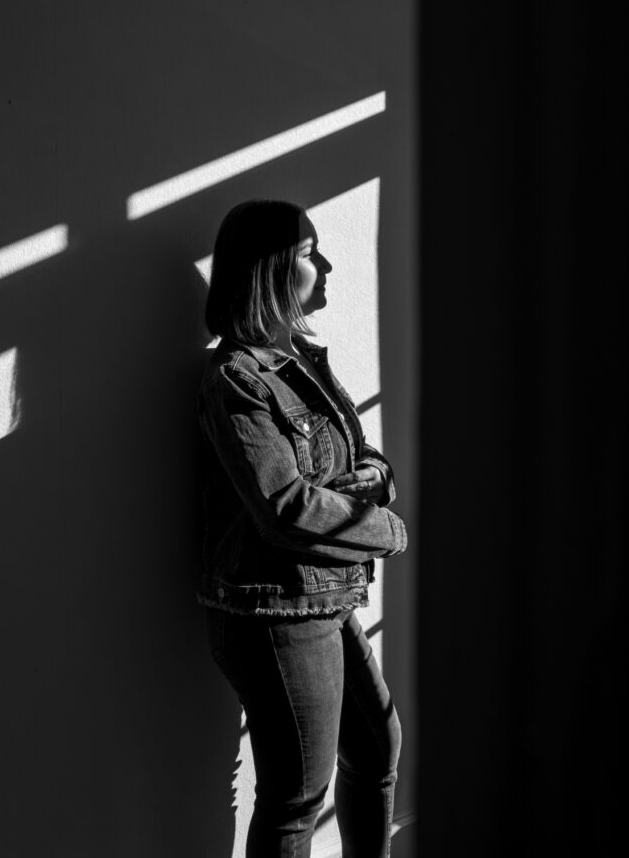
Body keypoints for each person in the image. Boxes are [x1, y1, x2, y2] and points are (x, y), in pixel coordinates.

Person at [197, 198, 408, 858]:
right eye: (311, 254)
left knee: (377, 751)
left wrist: (375, 476)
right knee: (296, 799)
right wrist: (388, 531)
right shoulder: (236, 379)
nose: (329, 266)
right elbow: (285, 507)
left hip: (323, 593)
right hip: (275, 609)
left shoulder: (300, 361)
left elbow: (357, 453)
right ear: (269, 270)